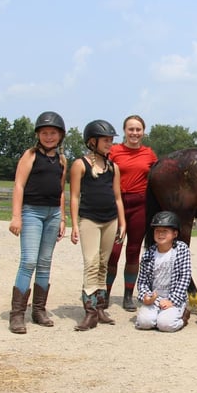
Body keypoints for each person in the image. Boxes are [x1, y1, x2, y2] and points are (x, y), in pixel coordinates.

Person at [7, 111, 68, 334]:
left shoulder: (62, 160)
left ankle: (39, 310)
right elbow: (19, 185)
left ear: (60, 135)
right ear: (38, 135)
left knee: (45, 262)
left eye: (53, 133)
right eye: (44, 133)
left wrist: (62, 217)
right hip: (32, 212)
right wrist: (17, 216)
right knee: (29, 261)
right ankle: (17, 314)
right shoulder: (30, 155)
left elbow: (61, 190)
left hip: (53, 213)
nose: (49, 136)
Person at [70, 120, 126, 332]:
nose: (109, 143)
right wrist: (74, 224)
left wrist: (122, 222)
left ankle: (101, 307)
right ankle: (90, 311)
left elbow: (118, 197)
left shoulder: (113, 167)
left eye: (111, 140)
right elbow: (74, 197)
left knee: (104, 263)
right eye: (106, 140)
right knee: (91, 262)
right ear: (92, 141)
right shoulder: (80, 165)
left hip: (110, 219)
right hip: (89, 219)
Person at [106, 115, 158, 312]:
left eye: (138, 129)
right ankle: (106, 292)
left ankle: (129, 294)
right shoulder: (113, 151)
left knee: (134, 251)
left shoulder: (149, 154)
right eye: (131, 129)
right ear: (124, 131)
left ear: (143, 132)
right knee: (113, 252)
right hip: (117, 204)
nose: (134, 133)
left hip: (139, 205)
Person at [134, 211, 192, 332]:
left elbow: (185, 276)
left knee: (165, 325)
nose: (160, 234)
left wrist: (172, 300)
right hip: (154, 298)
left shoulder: (182, 249)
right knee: (144, 323)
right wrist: (146, 297)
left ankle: (183, 317)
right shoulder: (149, 253)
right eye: (157, 231)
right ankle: (157, 316)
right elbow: (142, 281)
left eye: (165, 231)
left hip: (173, 297)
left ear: (175, 233)